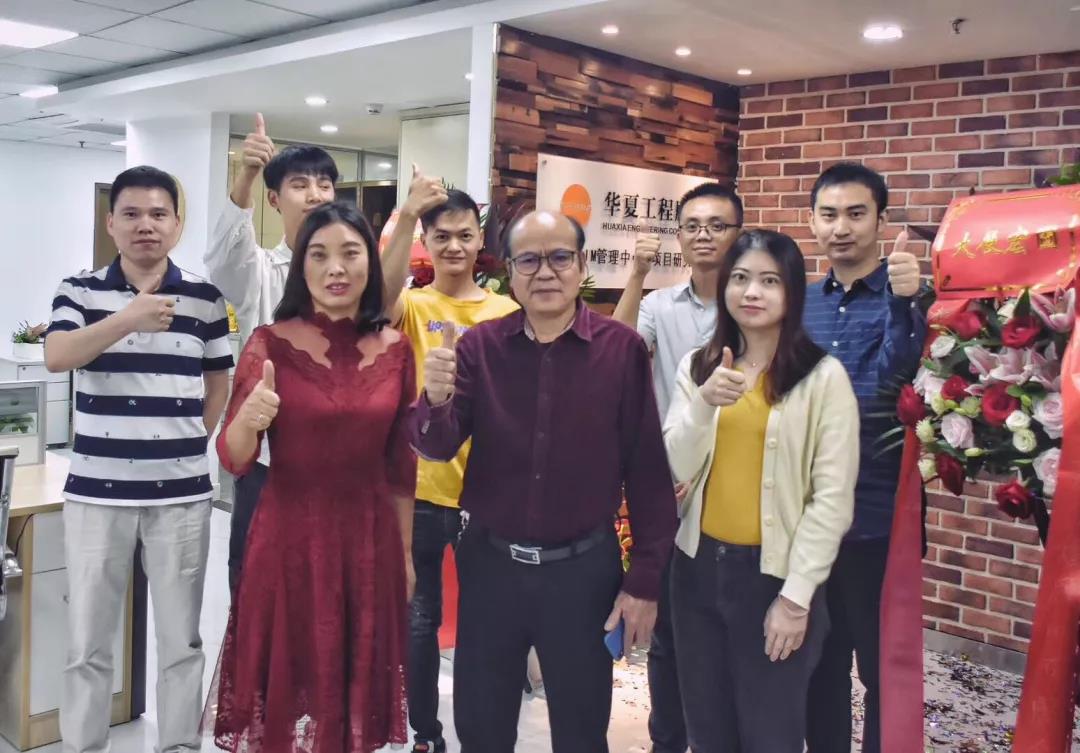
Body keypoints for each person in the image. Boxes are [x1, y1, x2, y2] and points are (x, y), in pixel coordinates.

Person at [409, 211, 677, 752]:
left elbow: (648, 470)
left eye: (560, 257)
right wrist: (434, 400)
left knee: (581, 732)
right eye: (529, 260)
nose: (546, 272)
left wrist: (645, 580)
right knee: (481, 729)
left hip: (583, 574)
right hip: (491, 569)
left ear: (582, 265)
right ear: (509, 271)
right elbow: (436, 446)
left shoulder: (621, 350)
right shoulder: (480, 348)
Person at [211, 202, 416, 753]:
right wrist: (249, 421)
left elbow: (401, 466)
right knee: (289, 685)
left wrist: (405, 554)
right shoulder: (269, 343)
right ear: (302, 266)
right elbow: (233, 457)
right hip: (290, 540)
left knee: (353, 694)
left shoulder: (397, 349)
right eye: (319, 255)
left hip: (369, 540)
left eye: (350, 253)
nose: (336, 269)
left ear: (371, 262)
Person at [44, 165, 234, 753]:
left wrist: (188, 440)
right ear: (111, 223)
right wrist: (127, 318)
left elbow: (218, 382)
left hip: (181, 497)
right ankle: (84, 745)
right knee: (88, 642)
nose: (145, 225)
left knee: (181, 641)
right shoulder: (79, 291)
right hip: (96, 494)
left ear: (176, 224)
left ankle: (177, 744)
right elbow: (57, 355)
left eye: (158, 214)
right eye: (131, 214)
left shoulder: (204, 297)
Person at [663, 229, 859, 752]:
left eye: (770, 281)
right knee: (708, 728)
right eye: (741, 278)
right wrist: (703, 404)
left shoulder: (823, 378)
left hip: (773, 577)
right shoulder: (698, 366)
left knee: (770, 731)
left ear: (792, 292)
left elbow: (832, 499)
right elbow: (675, 464)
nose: (752, 292)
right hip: (697, 570)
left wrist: (796, 599)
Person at [380, 171, 519, 753]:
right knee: (419, 620)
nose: (454, 246)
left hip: (485, 495)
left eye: (464, 235)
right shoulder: (412, 304)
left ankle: (481, 734)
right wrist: (408, 214)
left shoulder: (507, 309)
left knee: (485, 624)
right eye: (442, 236)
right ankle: (425, 733)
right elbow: (377, 303)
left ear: (479, 239)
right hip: (418, 490)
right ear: (427, 242)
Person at [612, 182, 743, 753]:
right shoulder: (660, 306)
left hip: (742, 489)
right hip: (676, 488)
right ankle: (668, 741)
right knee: (668, 635)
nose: (703, 235)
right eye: (692, 226)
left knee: (731, 632)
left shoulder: (755, 304)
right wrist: (637, 275)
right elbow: (617, 349)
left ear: (738, 234)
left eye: (717, 225)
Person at [802, 163, 928, 753]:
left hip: (878, 516)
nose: (841, 228)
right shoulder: (800, 303)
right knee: (817, 665)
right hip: (807, 519)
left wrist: (904, 305)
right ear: (812, 222)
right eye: (829, 215)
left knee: (882, 670)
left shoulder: (911, 299)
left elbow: (893, 387)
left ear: (881, 219)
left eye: (856, 214)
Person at [203, 113, 338, 592]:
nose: (315, 194)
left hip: (339, 471)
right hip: (268, 467)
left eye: (324, 184)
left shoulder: (356, 278)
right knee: (256, 591)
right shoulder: (261, 272)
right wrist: (246, 175)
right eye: (300, 185)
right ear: (275, 200)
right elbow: (223, 259)